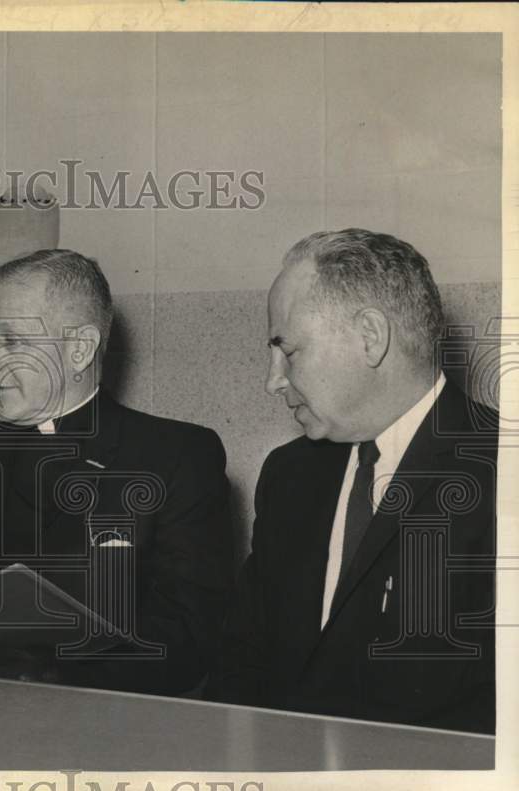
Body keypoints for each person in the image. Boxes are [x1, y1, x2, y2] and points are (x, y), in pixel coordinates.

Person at [0, 249, 231, 695]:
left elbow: (186, 639)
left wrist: (47, 681)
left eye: (11, 341)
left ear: (80, 350)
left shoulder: (175, 456)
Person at [208, 229, 497, 733]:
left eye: (288, 350)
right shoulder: (289, 474)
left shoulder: (501, 470)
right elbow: (242, 662)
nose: (272, 379)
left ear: (370, 336)